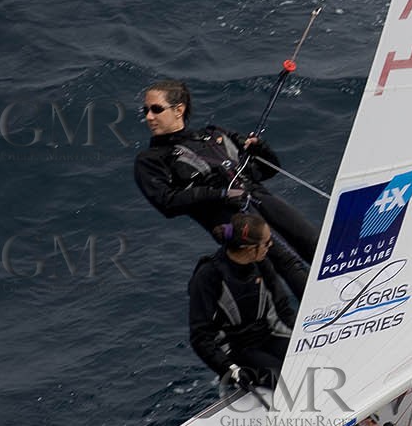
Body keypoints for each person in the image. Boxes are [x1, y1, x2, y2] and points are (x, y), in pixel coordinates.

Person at [133, 78, 318, 293]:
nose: (149, 117)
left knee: (313, 241)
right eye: (145, 110)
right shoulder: (151, 159)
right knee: (287, 261)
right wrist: (219, 194)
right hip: (229, 219)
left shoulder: (213, 134)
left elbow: (266, 171)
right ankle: (326, 316)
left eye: (156, 109)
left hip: (257, 196)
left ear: (179, 110)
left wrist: (261, 150)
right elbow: (167, 203)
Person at [189, 214, 296, 390]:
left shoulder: (261, 262)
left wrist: (306, 338)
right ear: (248, 248)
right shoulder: (208, 276)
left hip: (268, 335)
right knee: (289, 382)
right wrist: (229, 369)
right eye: (266, 243)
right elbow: (200, 337)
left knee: (310, 363)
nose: (271, 246)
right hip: (236, 350)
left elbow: (283, 308)